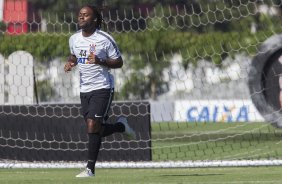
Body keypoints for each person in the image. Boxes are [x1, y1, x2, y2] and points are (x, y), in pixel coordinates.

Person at [64, 5, 136, 178]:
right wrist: (70, 62)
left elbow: (119, 62)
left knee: (92, 126)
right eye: (80, 14)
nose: (81, 17)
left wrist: (100, 60)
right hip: (84, 89)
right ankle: (121, 126)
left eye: (85, 15)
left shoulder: (105, 39)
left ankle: (90, 170)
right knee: (98, 130)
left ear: (94, 19)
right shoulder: (74, 39)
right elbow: (74, 55)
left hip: (103, 87)